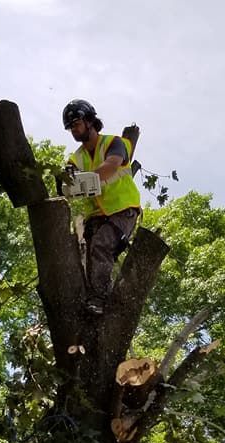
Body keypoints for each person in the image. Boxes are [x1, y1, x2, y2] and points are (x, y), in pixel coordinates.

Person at [63, 99, 141, 315]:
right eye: (70, 127)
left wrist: (84, 181)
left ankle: (100, 298)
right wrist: (66, 183)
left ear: (90, 121)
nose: (74, 130)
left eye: (76, 123)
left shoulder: (115, 143)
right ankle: (90, 299)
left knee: (101, 245)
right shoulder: (76, 157)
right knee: (86, 255)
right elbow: (66, 180)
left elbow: (110, 166)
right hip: (96, 216)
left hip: (122, 210)